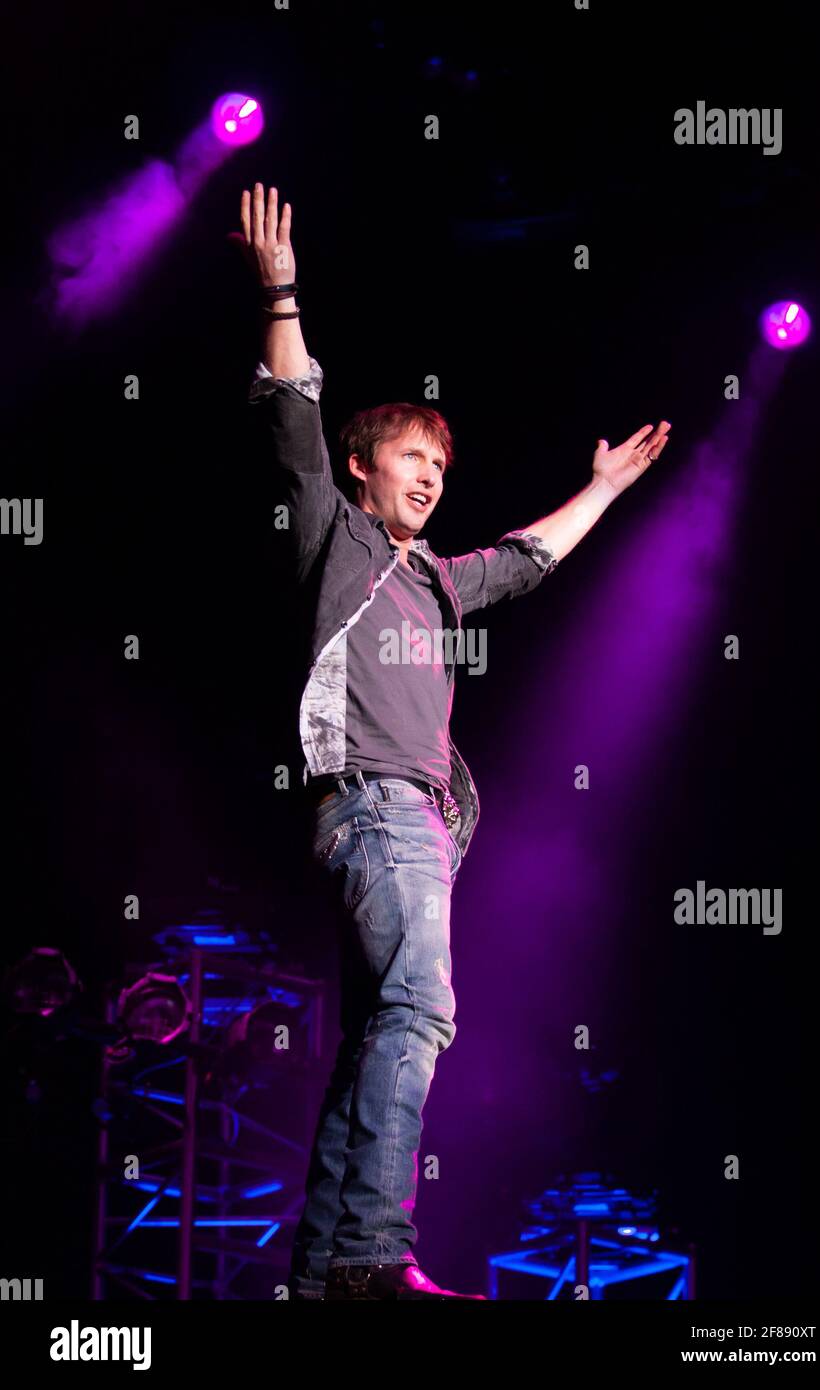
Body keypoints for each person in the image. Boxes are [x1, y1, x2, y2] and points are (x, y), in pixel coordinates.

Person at [233, 183, 671, 1300]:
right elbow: (290, 411)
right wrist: (280, 290)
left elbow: (525, 558)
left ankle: (324, 1268)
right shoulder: (334, 541)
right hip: (377, 806)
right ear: (365, 467)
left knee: (379, 1025)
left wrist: (603, 488)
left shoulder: (433, 582)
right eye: (411, 457)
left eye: (442, 464)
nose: (430, 475)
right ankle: (373, 1258)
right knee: (422, 1009)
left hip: (408, 819)